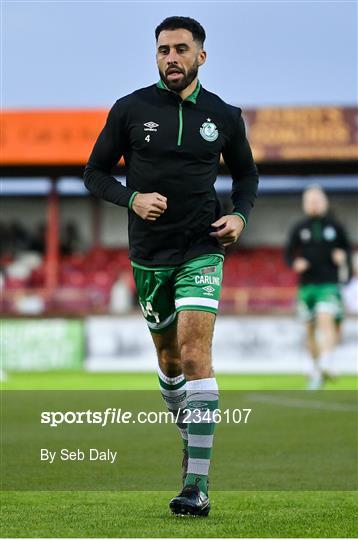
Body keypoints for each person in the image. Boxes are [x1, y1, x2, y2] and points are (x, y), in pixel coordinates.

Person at [84, 16, 259, 516]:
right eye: (163, 50)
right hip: (149, 255)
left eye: (181, 49)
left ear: (201, 56)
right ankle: (188, 428)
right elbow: (94, 172)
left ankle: (196, 485)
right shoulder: (130, 109)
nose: (171, 58)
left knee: (196, 352)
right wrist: (132, 198)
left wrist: (240, 216)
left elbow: (246, 175)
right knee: (169, 361)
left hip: (202, 247)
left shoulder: (223, 115)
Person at [285, 185, 351, 390]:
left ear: (324, 202)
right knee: (309, 328)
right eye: (310, 201)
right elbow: (287, 253)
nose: (314, 204)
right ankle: (316, 369)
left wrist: (343, 257)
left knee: (326, 318)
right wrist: (295, 263)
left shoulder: (336, 227)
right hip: (306, 286)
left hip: (329, 284)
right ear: (305, 204)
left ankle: (327, 361)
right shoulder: (299, 228)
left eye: (317, 200)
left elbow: (347, 250)